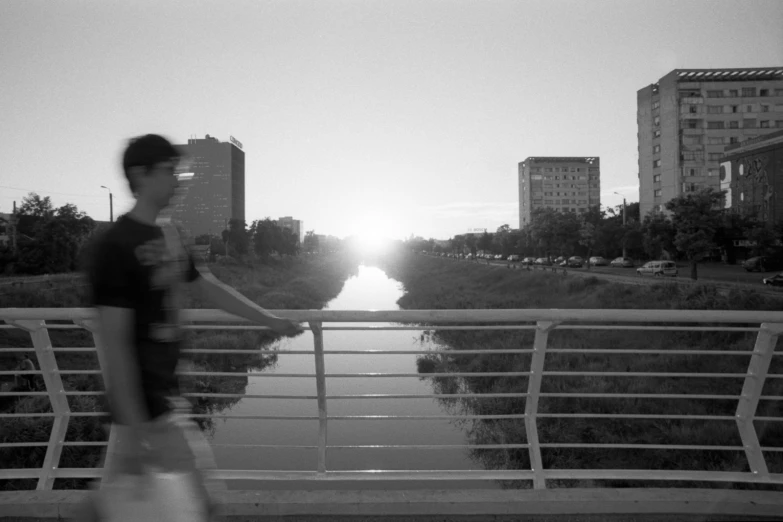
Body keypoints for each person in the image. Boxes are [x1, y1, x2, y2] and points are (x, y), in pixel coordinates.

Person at [78, 134, 303, 521]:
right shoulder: (115, 246)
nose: (178, 180)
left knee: (115, 507)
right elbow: (115, 345)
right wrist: (133, 427)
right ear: (140, 175)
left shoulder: (169, 235)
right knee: (201, 505)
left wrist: (269, 320)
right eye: (169, 170)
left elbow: (209, 288)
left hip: (164, 397)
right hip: (149, 408)